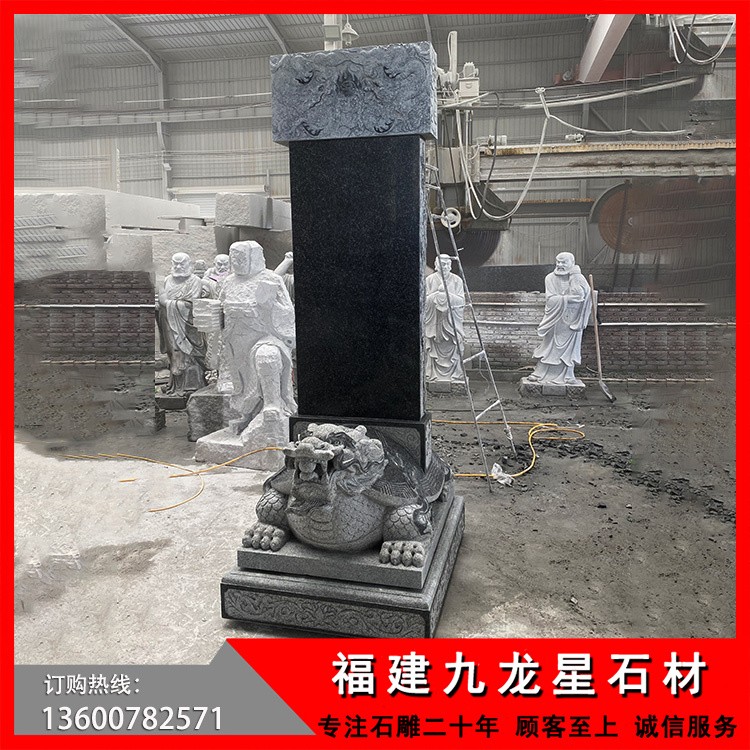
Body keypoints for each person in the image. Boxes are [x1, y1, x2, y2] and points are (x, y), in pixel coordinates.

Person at [218, 241, 296, 434]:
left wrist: (262, 309)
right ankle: (248, 414)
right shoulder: (228, 282)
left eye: (241, 258)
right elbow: (220, 308)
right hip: (237, 342)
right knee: (243, 382)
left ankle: (272, 405)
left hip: (266, 337)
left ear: (254, 257)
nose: (237, 262)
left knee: (267, 357)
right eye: (234, 258)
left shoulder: (271, 279)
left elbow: (288, 313)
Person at [527, 251, 592, 386]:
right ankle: (540, 372)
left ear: (572, 263)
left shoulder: (579, 278)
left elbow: (587, 296)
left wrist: (586, 296)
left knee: (569, 352)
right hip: (555, 319)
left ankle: (568, 375)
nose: (560, 265)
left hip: (573, 320)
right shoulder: (550, 278)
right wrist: (568, 299)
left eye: (564, 262)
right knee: (548, 348)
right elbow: (550, 299)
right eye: (558, 262)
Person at [156, 252, 206, 394]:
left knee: (189, 356)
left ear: (189, 264)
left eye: (182, 263)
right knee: (175, 353)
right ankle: (175, 385)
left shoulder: (195, 281)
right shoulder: (167, 280)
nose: (178, 267)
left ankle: (193, 385)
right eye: (175, 263)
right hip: (169, 323)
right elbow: (161, 298)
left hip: (188, 325)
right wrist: (165, 304)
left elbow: (193, 301)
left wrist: (169, 303)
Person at [424, 254, 465, 383]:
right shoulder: (429, 280)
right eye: (442, 264)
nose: (445, 267)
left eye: (448, 264)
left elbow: (461, 301)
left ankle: (456, 375)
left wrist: (448, 297)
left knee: (455, 344)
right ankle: (432, 374)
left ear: (451, 266)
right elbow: (424, 301)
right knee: (432, 348)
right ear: (436, 265)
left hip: (451, 323)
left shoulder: (457, 280)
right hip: (435, 324)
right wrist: (437, 296)